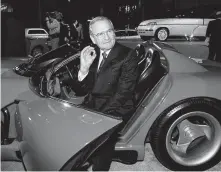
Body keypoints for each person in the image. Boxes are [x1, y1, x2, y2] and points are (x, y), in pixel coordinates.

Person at [49, 16, 139, 170]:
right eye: (100, 34)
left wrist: (97, 116)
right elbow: (83, 91)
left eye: (109, 31)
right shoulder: (93, 53)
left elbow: (123, 94)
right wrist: (83, 69)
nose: (107, 37)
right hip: (94, 103)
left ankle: (99, 167)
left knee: (101, 138)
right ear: (93, 38)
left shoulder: (128, 55)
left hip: (117, 108)